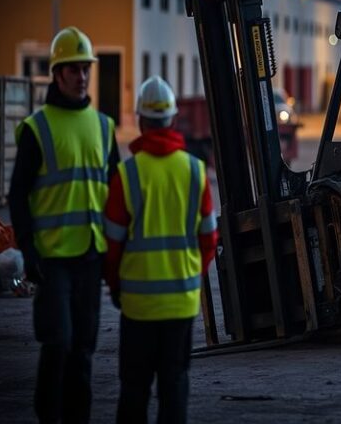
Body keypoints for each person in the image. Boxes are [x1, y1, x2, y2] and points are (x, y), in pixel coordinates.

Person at [9, 26, 119, 423]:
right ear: (57, 74)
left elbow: (115, 196)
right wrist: (28, 248)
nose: (82, 76)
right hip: (52, 259)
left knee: (83, 352)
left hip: (90, 256)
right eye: (73, 69)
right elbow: (17, 195)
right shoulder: (37, 129)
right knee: (58, 344)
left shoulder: (104, 128)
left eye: (85, 68)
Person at [103, 75, 218, 423]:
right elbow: (209, 240)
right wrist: (191, 277)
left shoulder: (127, 175)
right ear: (172, 119)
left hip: (137, 306)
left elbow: (111, 246)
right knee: (175, 385)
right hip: (181, 304)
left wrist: (117, 286)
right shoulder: (195, 172)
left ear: (140, 120)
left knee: (134, 389)